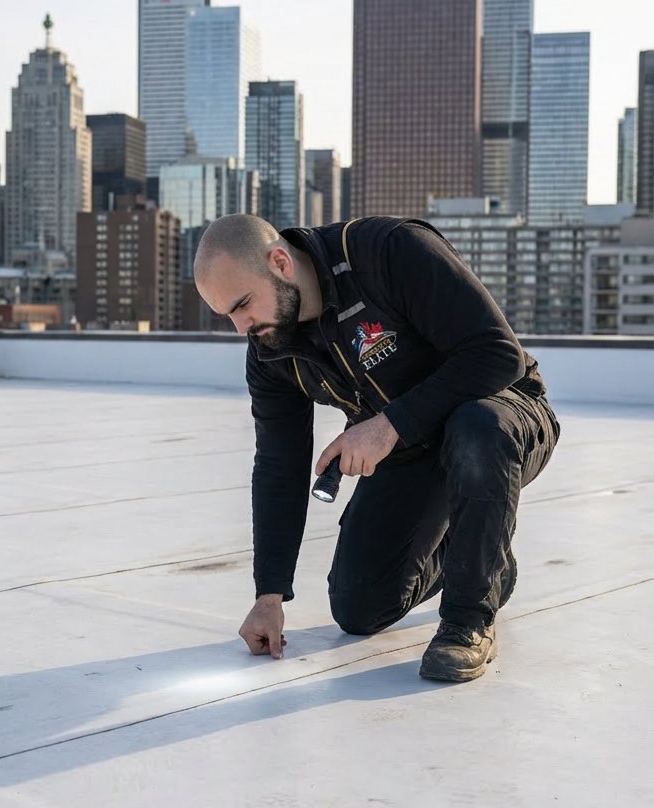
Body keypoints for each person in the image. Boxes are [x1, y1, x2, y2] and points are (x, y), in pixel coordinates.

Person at [193, 213, 560, 683]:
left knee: (475, 427)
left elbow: (497, 354)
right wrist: (269, 595)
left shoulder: (387, 251)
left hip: (501, 410)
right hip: (410, 448)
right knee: (359, 606)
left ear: (280, 262)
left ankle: (468, 622)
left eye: (243, 305)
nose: (241, 326)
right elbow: (278, 466)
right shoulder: (271, 349)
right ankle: (487, 561)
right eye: (228, 315)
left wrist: (387, 426)